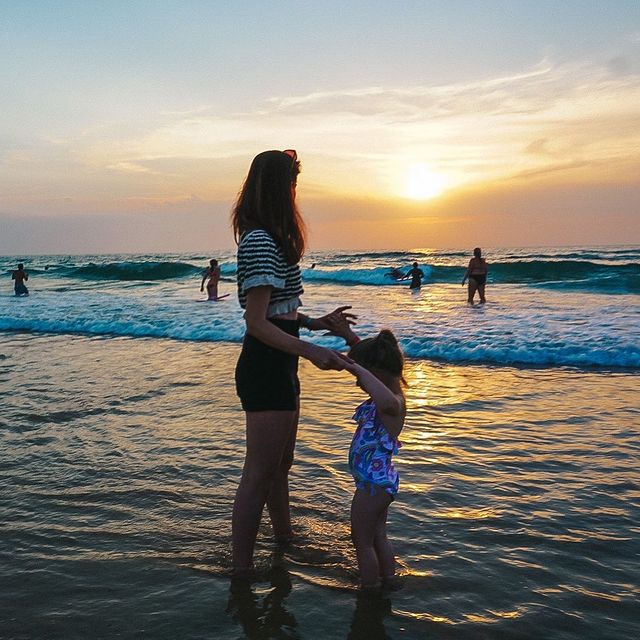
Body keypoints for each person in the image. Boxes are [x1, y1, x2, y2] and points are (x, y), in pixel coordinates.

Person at [231, 149, 355, 575]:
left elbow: (279, 310)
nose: (295, 191)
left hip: (279, 362)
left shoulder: (268, 236)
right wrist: (314, 351)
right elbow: (257, 323)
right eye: (292, 183)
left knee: (280, 467)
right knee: (259, 473)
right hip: (267, 364)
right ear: (279, 188)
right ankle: (242, 572)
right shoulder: (261, 240)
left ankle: (284, 542)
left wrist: (316, 322)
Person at [325, 316, 406, 592]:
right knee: (377, 535)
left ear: (377, 375)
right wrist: (349, 337)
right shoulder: (383, 391)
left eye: (364, 377)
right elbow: (369, 362)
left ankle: (369, 588)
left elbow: (382, 394)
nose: (359, 383)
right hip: (376, 482)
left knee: (361, 540)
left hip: (373, 485)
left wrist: (361, 371)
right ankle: (389, 580)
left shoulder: (392, 402)